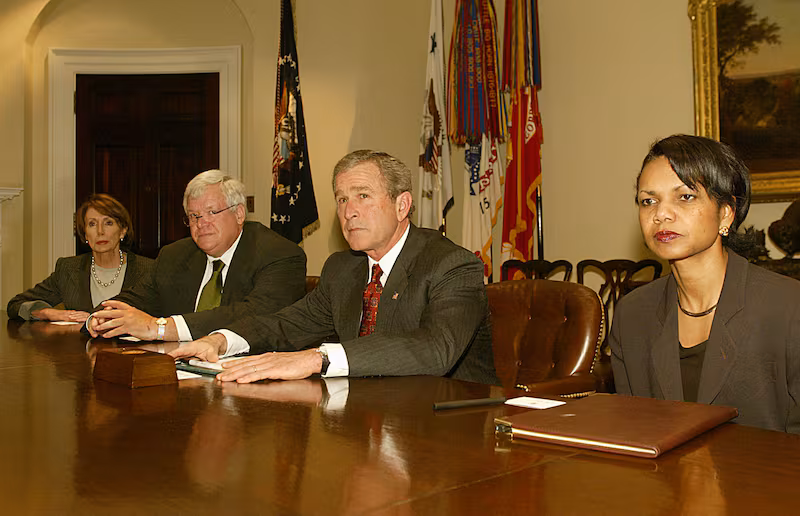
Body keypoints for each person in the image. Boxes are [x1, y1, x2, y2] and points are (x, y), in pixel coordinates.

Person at [171, 150, 498, 385]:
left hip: (449, 427)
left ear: (402, 205)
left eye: (363, 196)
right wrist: (224, 339)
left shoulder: (451, 265)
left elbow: (436, 349)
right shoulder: (343, 268)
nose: (349, 211)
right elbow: (288, 324)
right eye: (342, 199)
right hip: (365, 416)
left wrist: (319, 357)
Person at [610, 134, 800, 433]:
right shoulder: (632, 315)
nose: (661, 214)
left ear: (726, 213)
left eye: (685, 196)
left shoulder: (788, 307)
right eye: (648, 201)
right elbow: (633, 434)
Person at [88, 170, 307, 341]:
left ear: (239, 213)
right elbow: (134, 299)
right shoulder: (174, 255)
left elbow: (255, 315)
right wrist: (98, 319)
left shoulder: (279, 255)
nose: (201, 224)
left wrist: (161, 328)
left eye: (212, 212)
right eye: (194, 216)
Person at [7, 194, 154, 323]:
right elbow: (16, 305)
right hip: (79, 352)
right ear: (85, 235)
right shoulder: (68, 269)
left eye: (108, 223)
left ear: (122, 231)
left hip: (133, 352)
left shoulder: (148, 270)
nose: (100, 231)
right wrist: (49, 313)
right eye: (92, 224)